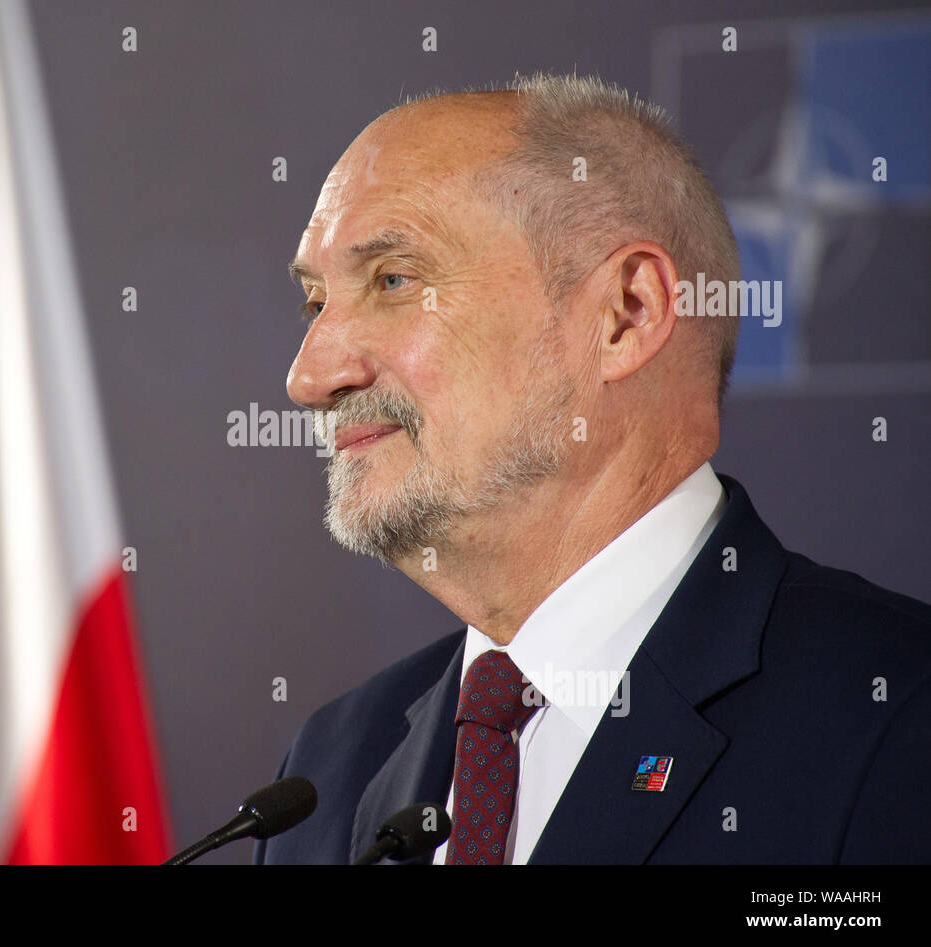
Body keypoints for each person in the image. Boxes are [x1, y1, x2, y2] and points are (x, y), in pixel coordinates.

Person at [255, 74, 931, 865]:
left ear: (626, 314)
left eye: (393, 280)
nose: (309, 376)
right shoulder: (327, 768)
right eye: (315, 303)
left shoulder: (896, 720)